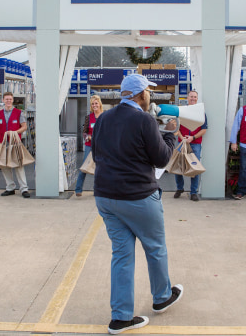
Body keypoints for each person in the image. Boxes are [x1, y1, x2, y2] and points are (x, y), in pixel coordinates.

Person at [91, 74, 184, 335]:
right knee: (155, 248)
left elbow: (98, 154)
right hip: (138, 197)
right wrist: (170, 132)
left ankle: (120, 317)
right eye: (149, 93)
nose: (151, 97)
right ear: (141, 95)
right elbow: (162, 159)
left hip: (106, 197)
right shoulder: (144, 120)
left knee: (121, 254)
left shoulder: (104, 119)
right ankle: (162, 296)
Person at [0, 91, 29, 198]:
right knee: (5, 166)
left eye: (10, 99)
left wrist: (14, 133)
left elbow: (24, 127)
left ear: (12, 100)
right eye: (6, 99)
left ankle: (24, 189)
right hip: (3, 144)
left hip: (15, 143)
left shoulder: (18, 112)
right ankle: (10, 187)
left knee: (18, 165)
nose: (8, 101)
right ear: (3, 100)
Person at [173, 90, 207, 202]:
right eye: (191, 96)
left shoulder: (201, 112)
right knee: (178, 166)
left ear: (197, 98)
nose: (193, 98)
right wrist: (182, 137)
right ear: (187, 98)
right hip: (181, 142)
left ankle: (193, 192)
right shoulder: (181, 111)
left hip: (195, 143)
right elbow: (175, 126)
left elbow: (204, 129)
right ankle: (179, 188)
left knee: (194, 168)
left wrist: (193, 137)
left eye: (195, 97)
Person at [74, 94, 104, 197]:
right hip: (89, 145)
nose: (94, 105)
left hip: (102, 146)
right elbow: (84, 133)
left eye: (96, 103)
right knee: (85, 166)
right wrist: (89, 137)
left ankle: (98, 190)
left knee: (101, 168)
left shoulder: (105, 116)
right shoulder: (88, 117)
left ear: (99, 104)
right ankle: (78, 189)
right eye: (92, 104)